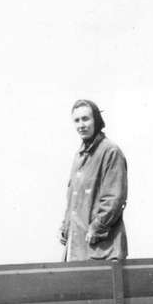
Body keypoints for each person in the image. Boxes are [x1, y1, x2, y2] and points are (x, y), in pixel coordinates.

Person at [60, 99, 128, 261]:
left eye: (85, 119)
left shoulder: (110, 151)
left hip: (101, 250)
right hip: (76, 249)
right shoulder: (79, 156)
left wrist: (96, 229)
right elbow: (73, 200)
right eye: (76, 120)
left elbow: (114, 199)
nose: (81, 125)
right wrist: (65, 227)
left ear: (96, 120)